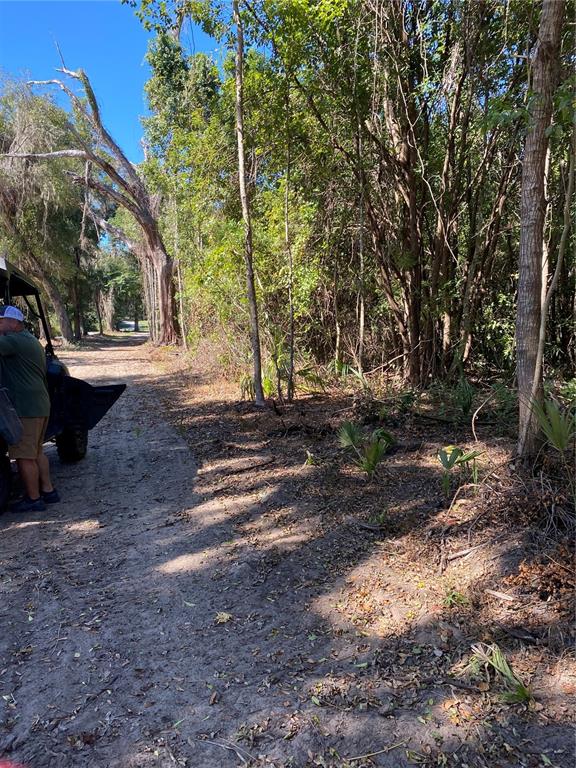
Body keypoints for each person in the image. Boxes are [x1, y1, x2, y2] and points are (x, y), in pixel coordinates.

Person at [0, 305, 59, 512]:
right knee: (36, 452)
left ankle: (33, 499)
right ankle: (48, 491)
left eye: (0, 321)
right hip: (40, 404)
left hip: (25, 407)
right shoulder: (30, 340)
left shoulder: (13, 341)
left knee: (24, 456)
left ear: (14, 322)